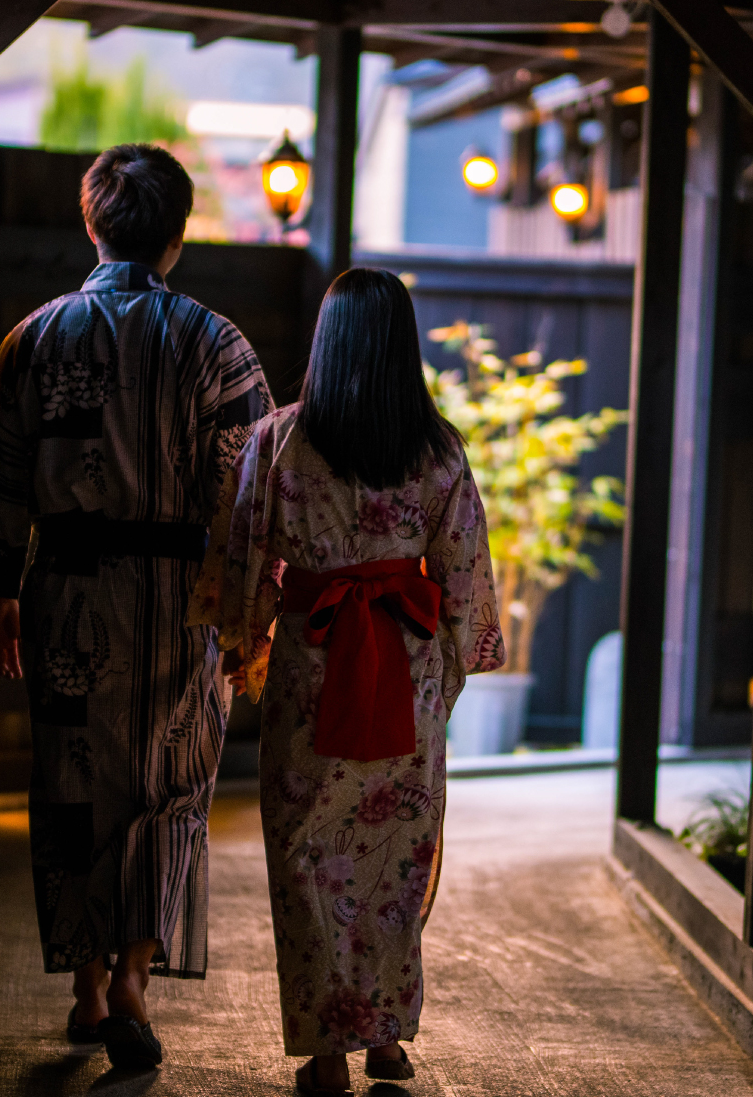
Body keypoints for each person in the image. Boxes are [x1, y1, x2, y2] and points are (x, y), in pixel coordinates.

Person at [0, 142, 273, 1070]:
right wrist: (246, 616)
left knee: (71, 782)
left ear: (90, 224)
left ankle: (87, 989)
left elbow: (3, 481)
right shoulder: (218, 342)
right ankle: (136, 972)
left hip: (69, 590)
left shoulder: (35, 336)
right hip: (182, 598)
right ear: (179, 236)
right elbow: (250, 489)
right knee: (171, 787)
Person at [188, 268, 503, 1096]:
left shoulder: (280, 440)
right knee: (396, 856)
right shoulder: (438, 449)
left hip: (312, 665)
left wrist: (244, 642)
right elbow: (465, 571)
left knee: (306, 858)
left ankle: (326, 1051)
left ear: (327, 342)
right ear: (403, 347)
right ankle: (387, 1040)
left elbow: (246, 551)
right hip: (403, 667)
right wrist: (456, 665)